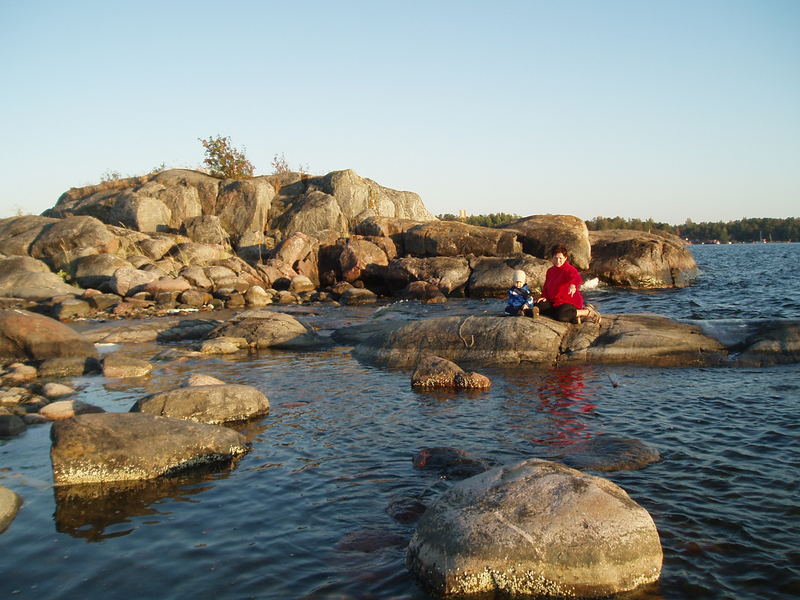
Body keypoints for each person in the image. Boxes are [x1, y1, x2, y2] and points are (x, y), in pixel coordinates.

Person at [534, 244, 601, 324]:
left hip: (569, 301)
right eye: (555, 258)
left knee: (561, 316)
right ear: (552, 258)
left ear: (565, 258)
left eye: (560, 258)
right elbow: (546, 287)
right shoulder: (550, 271)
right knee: (538, 305)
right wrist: (544, 297)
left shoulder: (569, 269)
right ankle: (574, 318)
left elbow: (576, 278)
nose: (558, 261)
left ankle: (586, 312)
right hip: (554, 301)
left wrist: (572, 285)